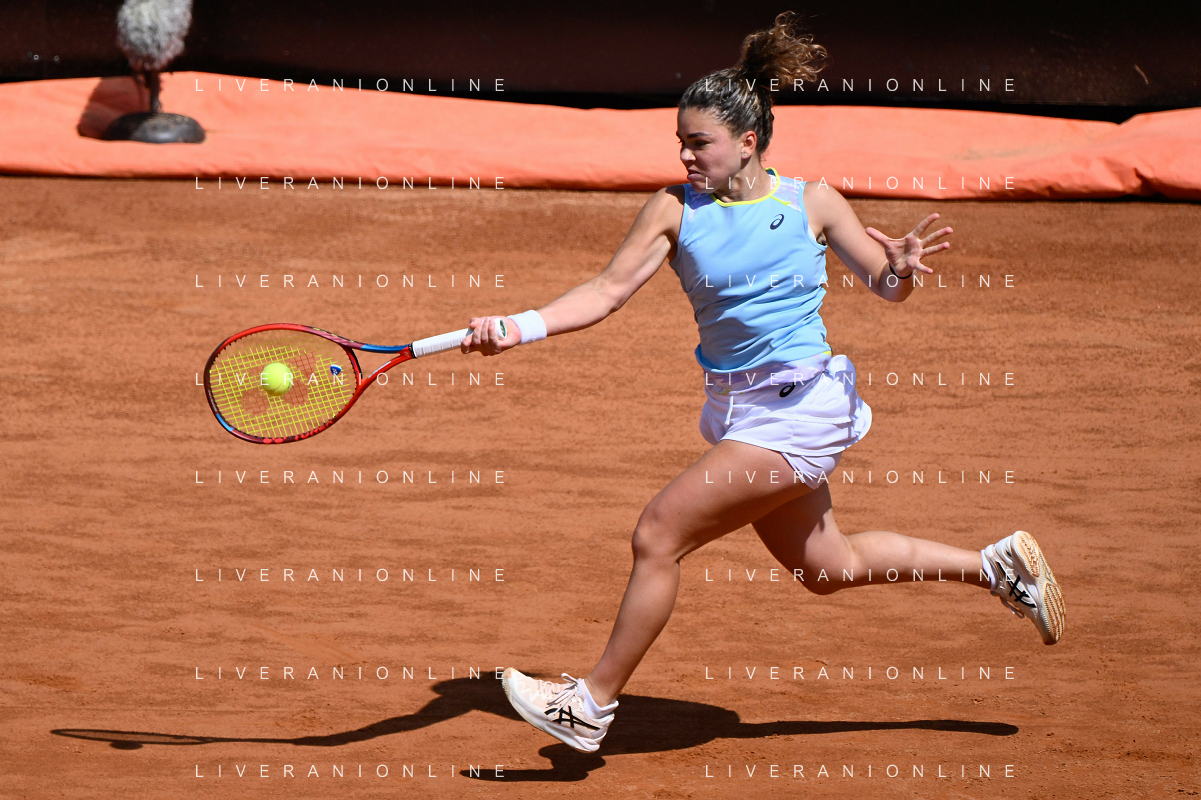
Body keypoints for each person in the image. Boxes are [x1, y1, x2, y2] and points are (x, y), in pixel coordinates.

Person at [460, 12, 1064, 754]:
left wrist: (900, 269)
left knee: (658, 534)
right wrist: (518, 325)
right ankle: (995, 567)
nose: (686, 156)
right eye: (680, 143)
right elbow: (605, 291)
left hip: (799, 407)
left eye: (700, 143)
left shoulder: (811, 202)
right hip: (738, 411)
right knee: (828, 568)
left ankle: (589, 705)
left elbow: (885, 285)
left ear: (748, 141)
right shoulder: (672, 210)